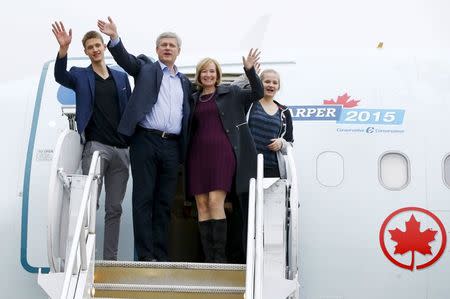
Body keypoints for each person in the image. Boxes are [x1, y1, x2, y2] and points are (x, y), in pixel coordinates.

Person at [97, 17, 192, 262]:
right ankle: (146, 255)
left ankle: (160, 253)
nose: (168, 48)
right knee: (143, 199)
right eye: (163, 45)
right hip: (146, 142)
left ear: (179, 51)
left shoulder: (184, 82)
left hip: (172, 145)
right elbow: (125, 60)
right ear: (157, 50)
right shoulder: (146, 69)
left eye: (172, 45)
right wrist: (114, 38)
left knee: (163, 202)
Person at [51, 22, 131, 260]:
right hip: (96, 148)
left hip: (121, 150)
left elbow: (130, 109)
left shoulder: (121, 77)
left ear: (104, 47)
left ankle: (110, 259)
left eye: (98, 45)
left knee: (114, 209)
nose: (95, 49)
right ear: (86, 52)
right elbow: (59, 75)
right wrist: (63, 49)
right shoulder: (80, 75)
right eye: (90, 47)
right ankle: (83, 256)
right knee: (89, 204)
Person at [187, 50, 263, 263]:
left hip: (222, 153)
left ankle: (219, 259)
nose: (208, 75)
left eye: (212, 71)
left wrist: (249, 71)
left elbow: (257, 93)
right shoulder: (193, 98)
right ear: (199, 75)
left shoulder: (231, 93)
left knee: (214, 202)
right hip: (197, 155)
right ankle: (209, 259)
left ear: (217, 74)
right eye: (204, 71)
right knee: (201, 205)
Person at [247, 69, 294, 178]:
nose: (271, 85)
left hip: (273, 169)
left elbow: (290, 143)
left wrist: (281, 143)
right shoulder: (249, 104)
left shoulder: (284, 111)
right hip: (248, 165)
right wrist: (248, 75)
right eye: (267, 81)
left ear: (278, 87)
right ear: (260, 83)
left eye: (275, 83)